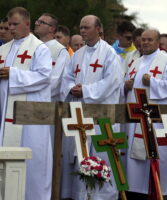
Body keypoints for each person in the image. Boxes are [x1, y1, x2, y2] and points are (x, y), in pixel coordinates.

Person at [60, 15, 122, 200]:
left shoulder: (110, 53)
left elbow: (113, 81)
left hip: (103, 117)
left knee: (103, 159)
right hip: (81, 116)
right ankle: (80, 196)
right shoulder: (77, 55)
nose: (82, 31)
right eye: (81, 28)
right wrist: (72, 88)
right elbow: (67, 77)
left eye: (86, 27)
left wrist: (86, 91)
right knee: (82, 158)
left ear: (98, 30)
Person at [0, 7, 52, 200]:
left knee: (33, 161)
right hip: (4, 115)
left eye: (15, 24)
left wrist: (13, 74)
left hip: (29, 118)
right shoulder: (3, 49)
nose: (10, 28)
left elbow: (45, 76)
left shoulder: (39, 48)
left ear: (27, 24)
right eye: (9, 24)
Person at [123, 29, 167, 198]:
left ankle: (155, 190)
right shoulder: (135, 62)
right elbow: (126, 87)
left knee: (154, 155)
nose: (145, 42)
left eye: (149, 40)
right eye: (143, 40)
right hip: (135, 120)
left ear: (157, 42)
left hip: (155, 119)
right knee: (135, 156)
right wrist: (125, 86)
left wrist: (153, 82)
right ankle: (135, 191)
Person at [34, 13, 70, 101]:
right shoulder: (32, 46)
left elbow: (55, 81)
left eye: (41, 22)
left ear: (51, 28)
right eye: (37, 21)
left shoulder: (60, 50)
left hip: (49, 101)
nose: (36, 24)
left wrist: (34, 93)